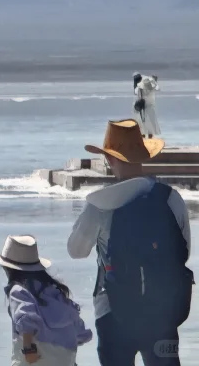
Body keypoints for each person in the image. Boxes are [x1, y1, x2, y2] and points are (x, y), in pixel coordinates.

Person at [67, 119, 192, 365]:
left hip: (113, 310)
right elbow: (184, 251)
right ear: (143, 157)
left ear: (109, 159)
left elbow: (76, 251)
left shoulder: (100, 204)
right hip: (162, 310)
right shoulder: (170, 198)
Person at [0, 234, 92, 365]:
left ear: (8, 268)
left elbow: (26, 317)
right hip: (66, 358)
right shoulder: (54, 291)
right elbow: (78, 328)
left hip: (36, 358)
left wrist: (28, 350)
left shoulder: (18, 290)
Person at [132, 75, 161, 139]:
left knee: (142, 124)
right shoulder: (152, 88)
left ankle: (143, 138)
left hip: (143, 108)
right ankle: (150, 138)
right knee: (150, 124)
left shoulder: (140, 88)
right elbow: (156, 89)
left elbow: (136, 93)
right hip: (150, 107)